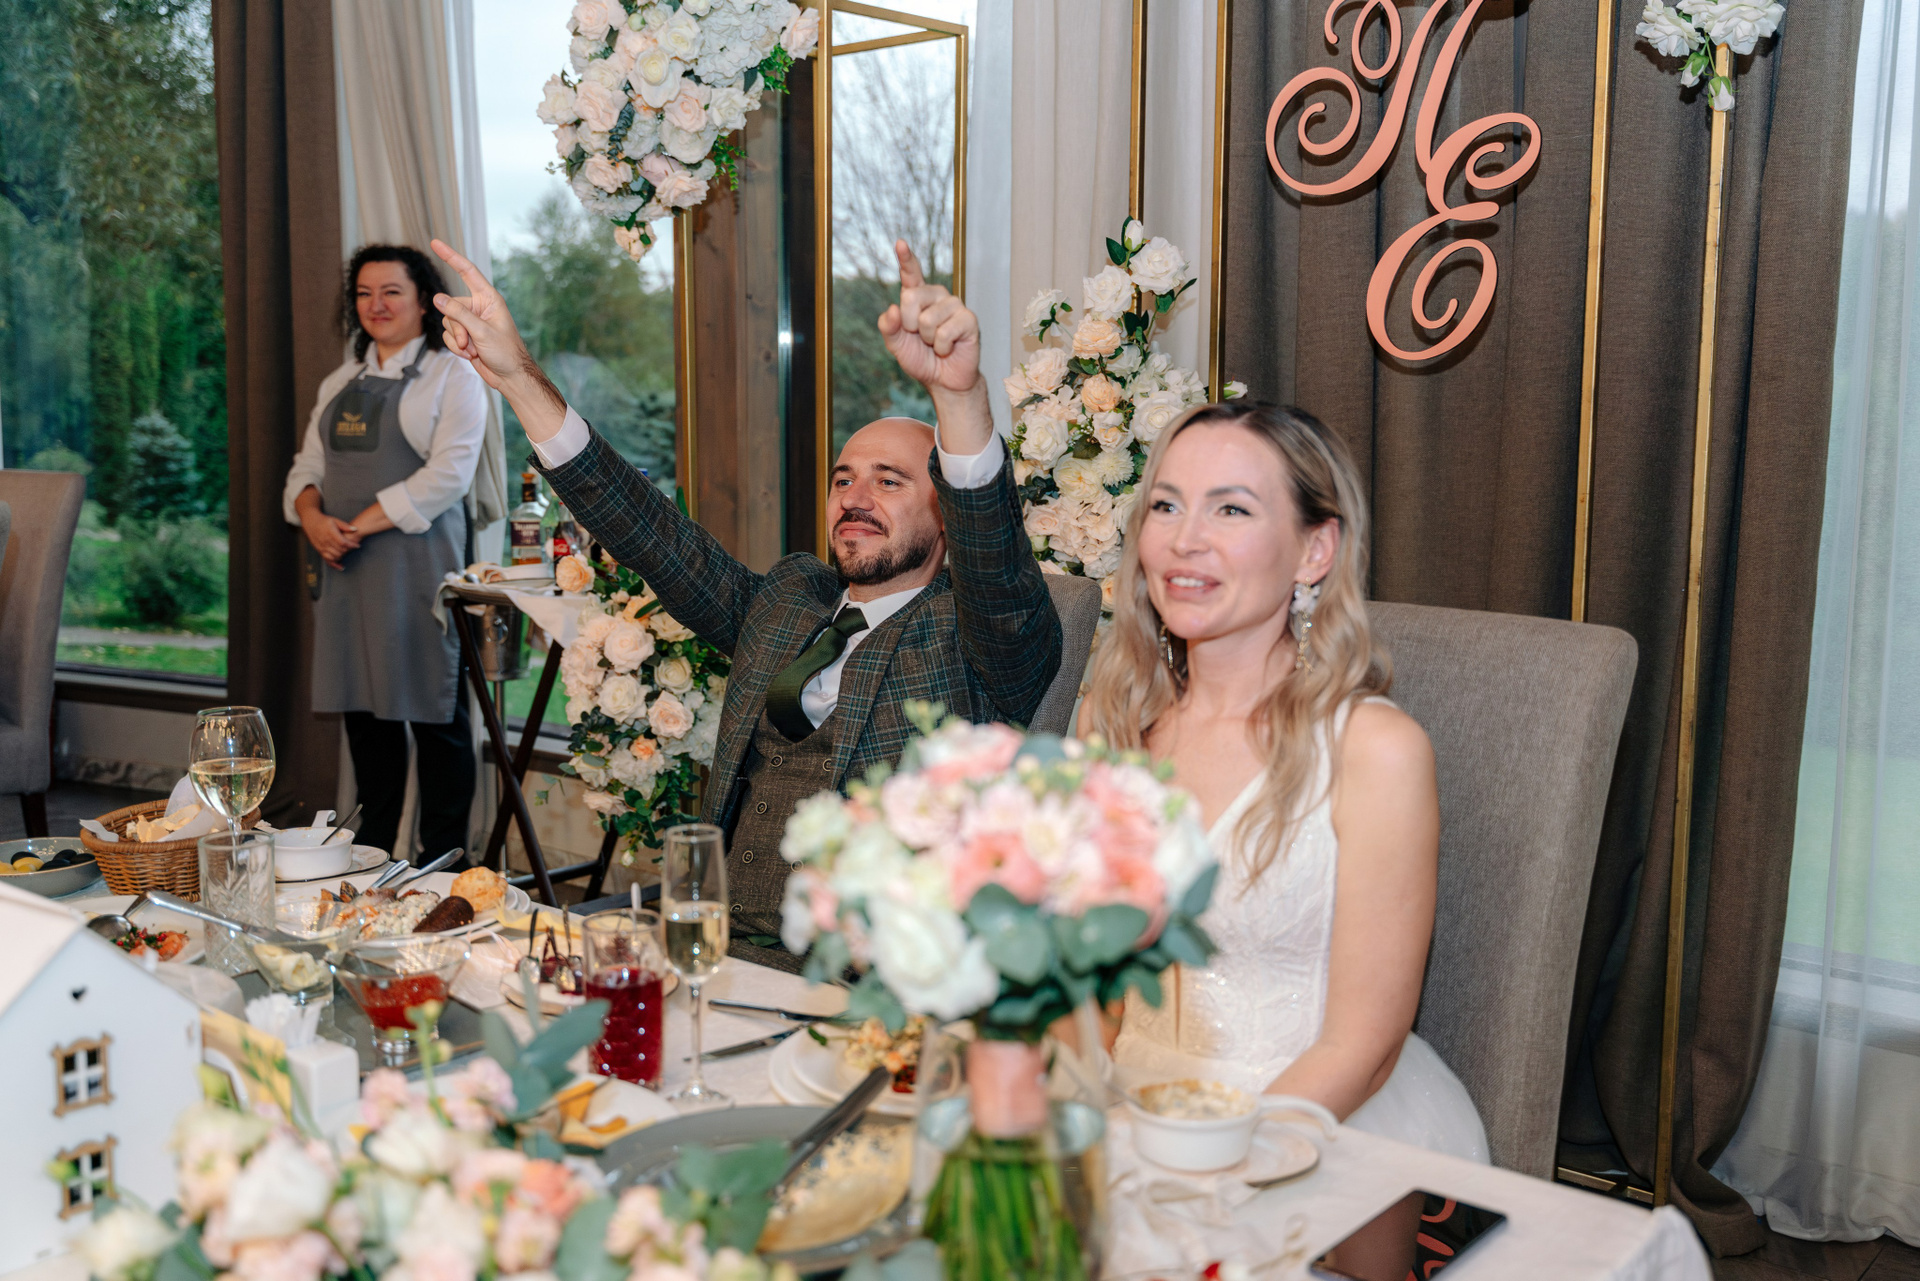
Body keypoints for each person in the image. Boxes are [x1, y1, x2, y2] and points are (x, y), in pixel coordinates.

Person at [427, 236, 1061, 971]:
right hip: (713, 946)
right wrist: (517, 379)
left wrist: (958, 397)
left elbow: (996, 563)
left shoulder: (979, 638)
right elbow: (653, 536)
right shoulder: (789, 603)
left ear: (947, 515)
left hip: (862, 980)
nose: (854, 497)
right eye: (843, 479)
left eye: (890, 481)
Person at [1085, 401, 1488, 1161]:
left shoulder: (1375, 750)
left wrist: (1215, 1162)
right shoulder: (1111, 726)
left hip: (1310, 1117)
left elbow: (1364, 1045)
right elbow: (1096, 996)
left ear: (1314, 550)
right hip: (1129, 1106)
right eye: (1166, 505)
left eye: (1231, 508)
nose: (1185, 539)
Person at [282, 244, 487, 861]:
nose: (377, 305)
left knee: (436, 718)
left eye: (392, 291)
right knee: (367, 721)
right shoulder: (339, 382)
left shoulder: (455, 376)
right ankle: (372, 860)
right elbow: (306, 468)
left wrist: (353, 527)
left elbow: (448, 476)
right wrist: (313, 518)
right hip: (347, 571)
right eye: (365, 293)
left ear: (424, 302)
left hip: (419, 572)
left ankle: (444, 861)